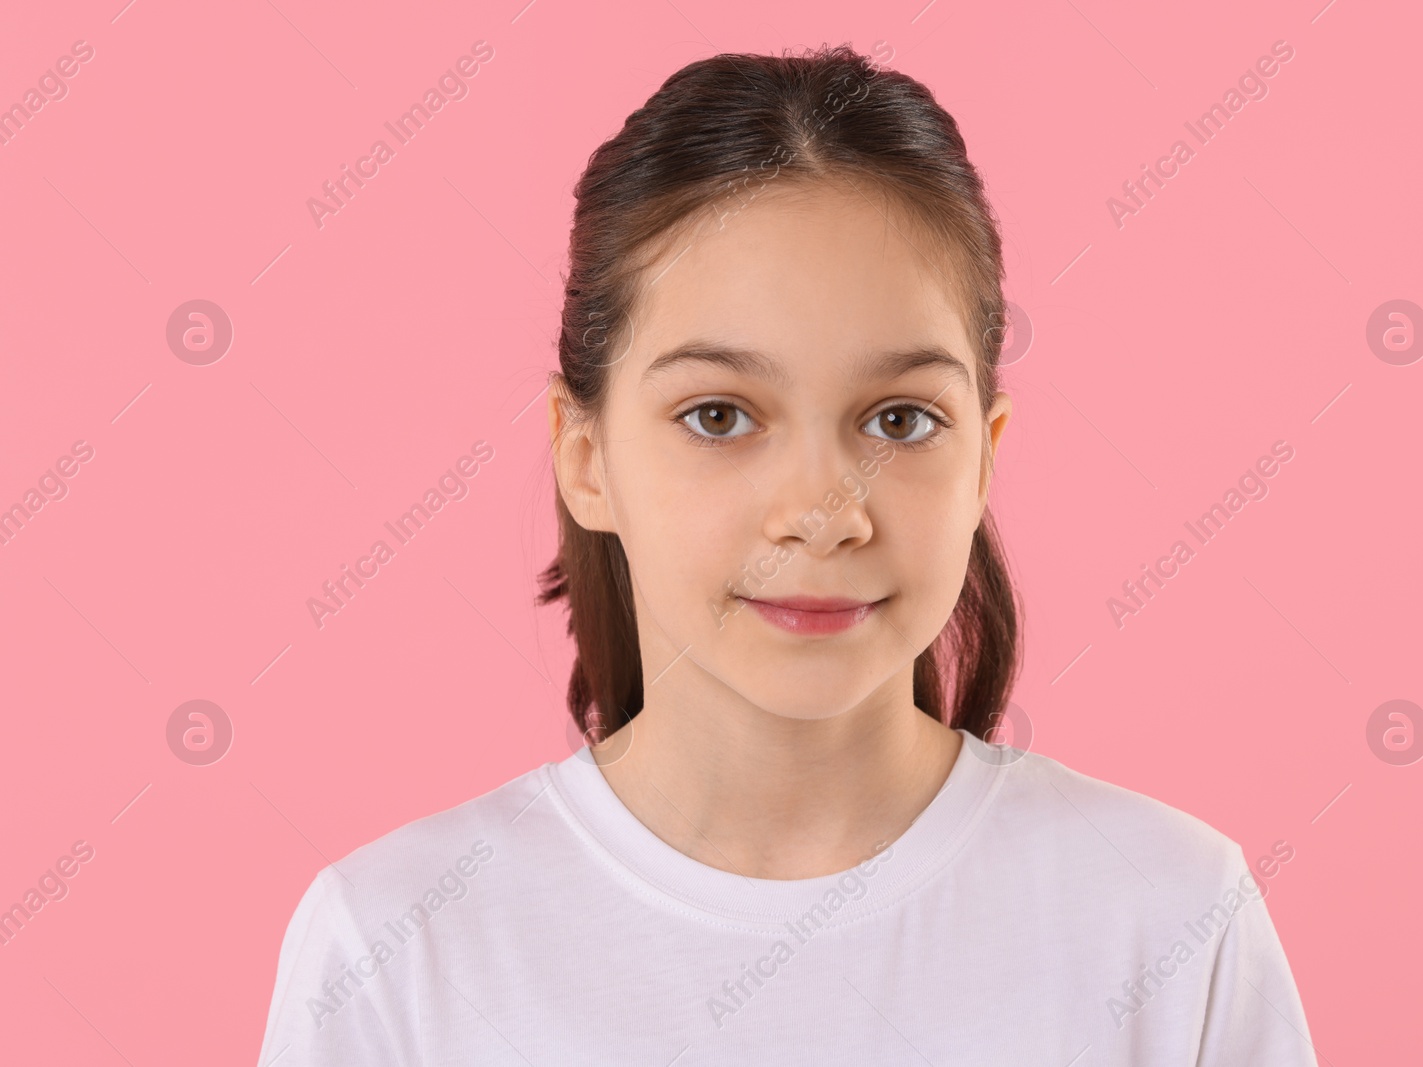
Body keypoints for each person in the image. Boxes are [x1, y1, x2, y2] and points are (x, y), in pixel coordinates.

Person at [256, 43, 1318, 1066]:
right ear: (585, 459)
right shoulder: (399, 947)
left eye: (899, 420)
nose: (823, 514)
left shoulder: (1168, 916)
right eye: (719, 415)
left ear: (984, 458)